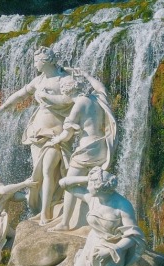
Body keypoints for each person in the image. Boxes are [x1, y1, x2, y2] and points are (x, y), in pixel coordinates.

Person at [0, 46, 73, 225]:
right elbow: (20, 94)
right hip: (36, 132)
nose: (34, 64)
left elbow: (70, 101)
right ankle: (38, 207)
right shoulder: (39, 80)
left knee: (49, 170)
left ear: (47, 61)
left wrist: (47, 97)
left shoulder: (64, 80)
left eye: (37, 60)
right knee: (38, 173)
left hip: (56, 133)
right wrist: (1, 109)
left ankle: (45, 213)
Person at [48, 70, 117, 231]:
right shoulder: (97, 98)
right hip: (101, 147)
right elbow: (101, 88)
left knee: (69, 184)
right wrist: (86, 75)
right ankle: (100, 219)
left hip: (86, 149)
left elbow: (67, 134)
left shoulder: (79, 104)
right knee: (97, 185)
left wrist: (56, 140)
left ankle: (65, 223)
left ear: (67, 91)